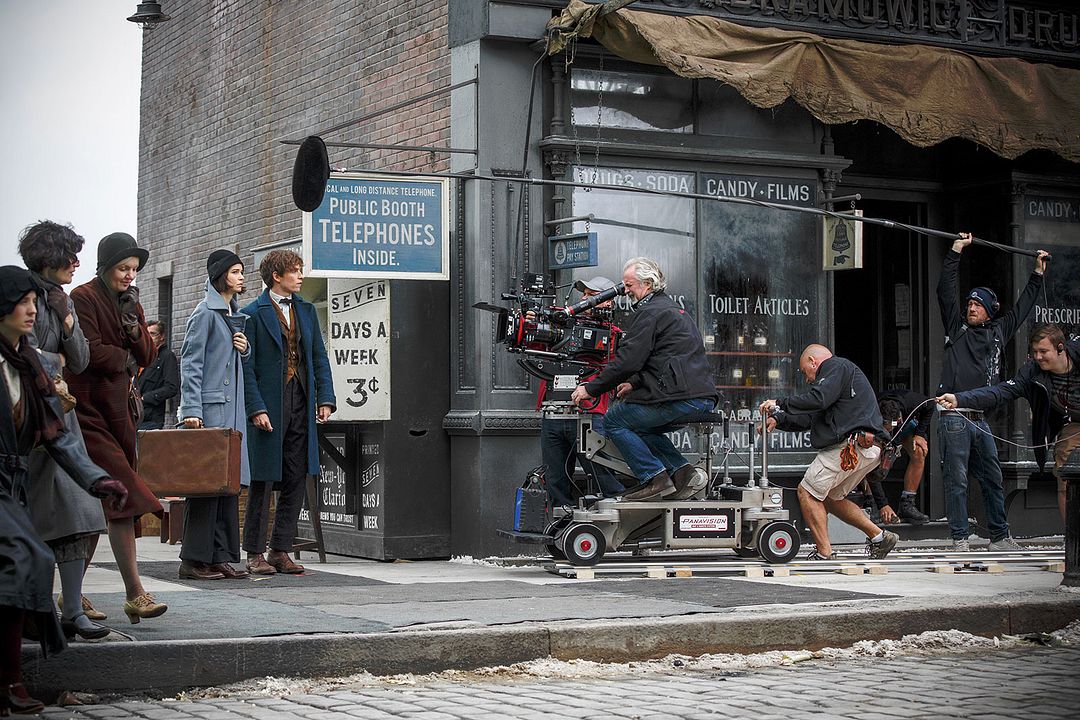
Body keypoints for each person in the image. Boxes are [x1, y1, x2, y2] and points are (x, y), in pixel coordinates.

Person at [0, 266, 126, 716]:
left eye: (35, 302)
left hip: (12, 485)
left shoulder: (30, 362)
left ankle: (13, 679)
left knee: (24, 567)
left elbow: (57, 434)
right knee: (27, 560)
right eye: (23, 302)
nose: (33, 310)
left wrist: (97, 480)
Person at [18, 220, 112, 640]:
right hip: (26, 419)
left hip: (61, 416)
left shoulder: (62, 301)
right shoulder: (20, 295)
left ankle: (72, 608)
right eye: (69, 256)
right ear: (49, 258)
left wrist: (69, 324)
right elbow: (23, 354)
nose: (76, 263)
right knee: (35, 518)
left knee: (79, 509)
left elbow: (80, 360)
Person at [67, 232, 168, 623]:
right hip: (88, 411)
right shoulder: (83, 297)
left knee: (105, 502)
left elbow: (148, 353)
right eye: (123, 268)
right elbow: (87, 352)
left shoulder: (132, 302)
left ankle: (73, 596)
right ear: (106, 266)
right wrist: (127, 358)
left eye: (134, 270)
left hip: (121, 414)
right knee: (119, 492)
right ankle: (134, 593)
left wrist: (132, 329)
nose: (129, 276)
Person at [936, 232, 1049, 551]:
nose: (971, 308)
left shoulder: (1000, 330)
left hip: (980, 418)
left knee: (992, 478)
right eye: (969, 303)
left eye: (977, 305)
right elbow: (945, 291)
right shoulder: (956, 330)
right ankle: (960, 538)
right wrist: (955, 251)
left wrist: (1038, 273)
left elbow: (1024, 306)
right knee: (956, 480)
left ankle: (999, 536)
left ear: (990, 310)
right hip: (954, 416)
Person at [570, 257, 715, 501]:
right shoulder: (673, 310)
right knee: (639, 426)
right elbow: (665, 358)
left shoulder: (650, 312)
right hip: (700, 398)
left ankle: (654, 478)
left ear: (647, 283)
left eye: (629, 286)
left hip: (681, 398)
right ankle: (683, 472)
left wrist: (591, 389)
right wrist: (634, 383)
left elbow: (629, 360)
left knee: (615, 420)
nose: (625, 292)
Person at [241, 249, 336, 575]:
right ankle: (254, 552)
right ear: (276, 276)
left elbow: (318, 358)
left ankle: (280, 549)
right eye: (294, 271)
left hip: (301, 401)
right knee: (263, 479)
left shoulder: (307, 311)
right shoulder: (251, 313)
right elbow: (247, 367)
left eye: (300, 270)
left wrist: (325, 398)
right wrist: (255, 408)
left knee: (297, 475)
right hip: (269, 405)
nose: (300, 276)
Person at [760, 344, 898, 561]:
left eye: (806, 372)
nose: (807, 380)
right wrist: (779, 419)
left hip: (851, 446)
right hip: (868, 448)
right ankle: (879, 536)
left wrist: (779, 403)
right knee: (831, 497)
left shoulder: (836, 366)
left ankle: (824, 553)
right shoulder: (838, 383)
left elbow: (818, 399)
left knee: (807, 492)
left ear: (814, 362)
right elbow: (811, 417)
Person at [938, 323, 1079, 524]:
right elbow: (1000, 391)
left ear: (1061, 348)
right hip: (1074, 424)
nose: (1038, 357)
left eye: (1043, 351)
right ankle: (1072, 537)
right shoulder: (1032, 372)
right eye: (1035, 352)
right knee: (1066, 477)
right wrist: (960, 399)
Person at [177, 251, 253, 580]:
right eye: (235, 271)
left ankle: (220, 556)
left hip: (231, 413)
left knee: (227, 486)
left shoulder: (233, 316)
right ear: (221, 275)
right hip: (210, 412)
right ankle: (193, 561)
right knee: (206, 487)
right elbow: (190, 364)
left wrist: (244, 349)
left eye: (242, 271)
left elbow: (231, 366)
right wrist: (191, 410)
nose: (241, 277)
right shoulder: (205, 313)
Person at [537, 277, 624, 506]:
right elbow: (535, 345)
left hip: (590, 414)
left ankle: (619, 523)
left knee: (602, 475)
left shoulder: (613, 335)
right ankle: (559, 533)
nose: (584, 298)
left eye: (591, 294)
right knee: (555, 480)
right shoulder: (561, 325)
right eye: (583, 294)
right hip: (553, 412)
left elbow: (618, 369)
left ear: (606, 302)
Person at [863, 390, 934, 525]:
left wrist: (919, 433)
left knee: (918, 451)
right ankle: (870, 503)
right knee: (869, 456)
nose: (890, 428)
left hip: (905, 428)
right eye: (887, 426)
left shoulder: (912, 402)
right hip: (876, 433)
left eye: (892, 425)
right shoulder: (870, 410)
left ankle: (907, 503)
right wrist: (882, 503)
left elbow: (931, 405)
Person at [136, 320, 179, 431]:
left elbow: (171, 387)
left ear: (162, 337)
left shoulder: (167, 357)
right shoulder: (141, 357)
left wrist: (145, 398)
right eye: (147, 334)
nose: (149, 337)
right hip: (134, 417)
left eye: (153, 334)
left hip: (151, 420)